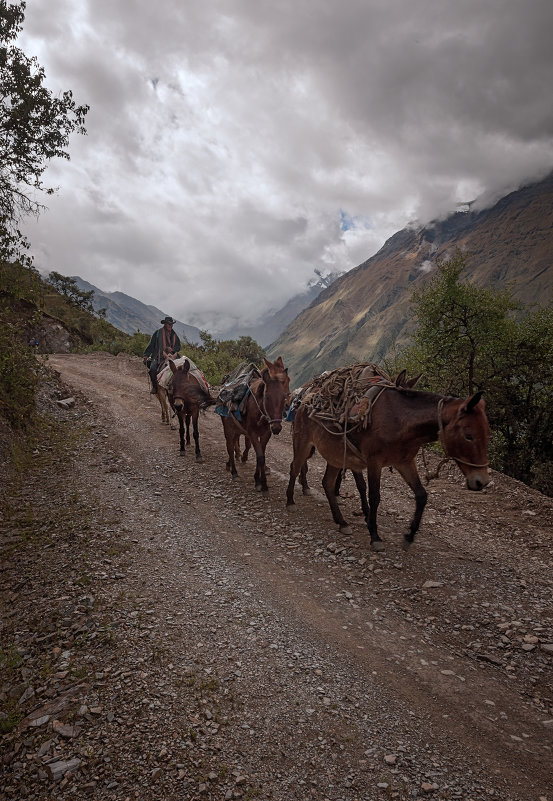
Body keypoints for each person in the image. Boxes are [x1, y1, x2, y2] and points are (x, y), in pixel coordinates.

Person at [143, 316, 181, 393]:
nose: (171, 326)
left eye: (171, 324)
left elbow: (178, 346)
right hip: (159, 355)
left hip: (172, 356)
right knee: (153, 369)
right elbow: (151, 344)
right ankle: (155, 386)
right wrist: (146, 354)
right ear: (165, 324)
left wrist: (172, 350)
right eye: (169, 324)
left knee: (181, 368)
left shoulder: (174, 335)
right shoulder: (157, 333)